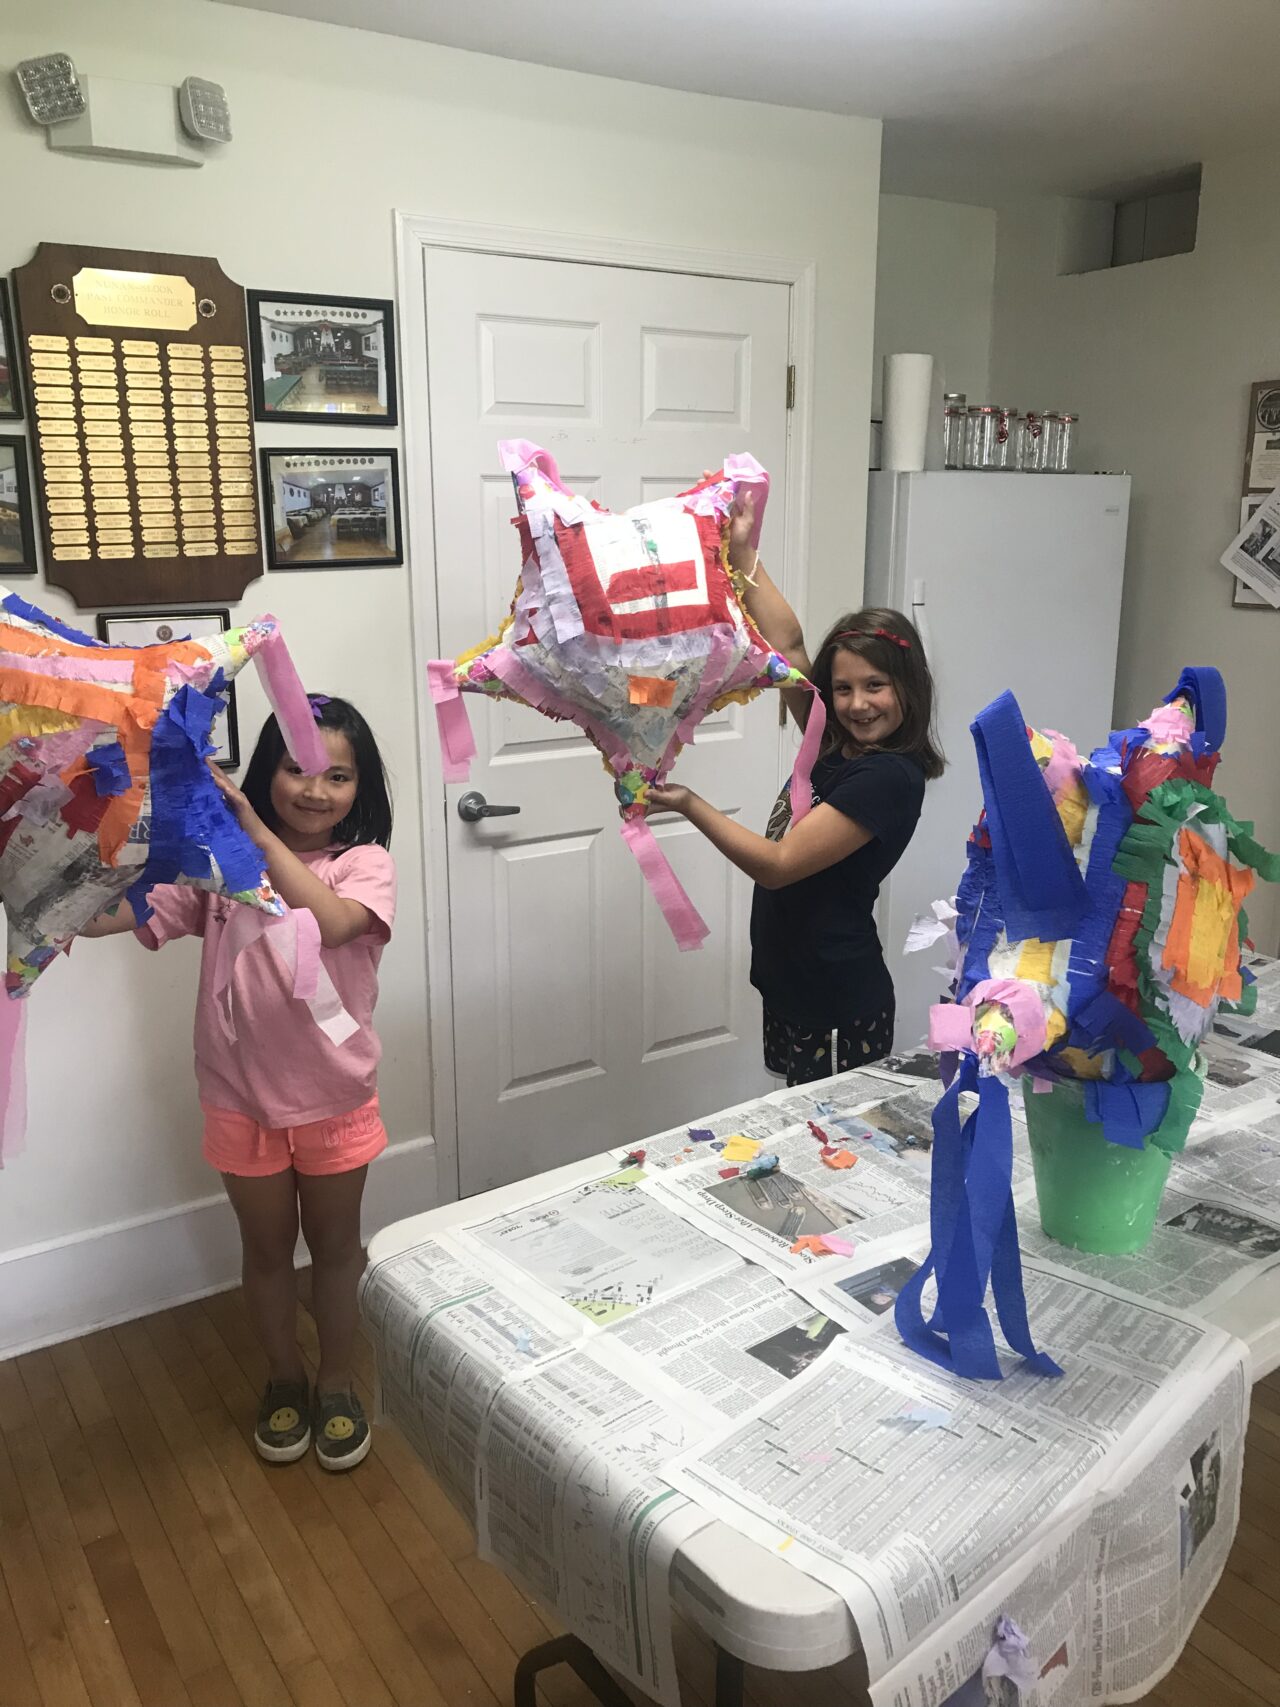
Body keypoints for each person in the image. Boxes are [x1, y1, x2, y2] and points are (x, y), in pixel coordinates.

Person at [84, 696, 395, 1470]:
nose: (315, 789)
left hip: (334, 1102)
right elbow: (109, 916)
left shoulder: (364, 865)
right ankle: (284, 1378)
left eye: (338, 775)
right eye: (295, 768)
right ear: (265, 771)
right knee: (264, 1254)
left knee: (334, 1251)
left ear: (363, 788)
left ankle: (335, 1383)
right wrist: (39, 873)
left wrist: (251, 834)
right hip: (240, 1100)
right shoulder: (215, 868)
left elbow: (328, 922)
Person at [648, 497, 943, 1085]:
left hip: (836, 1001)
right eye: (842, 688)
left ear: (907, 689)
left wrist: (690, 803)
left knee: (829, 1141)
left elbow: (780, 866)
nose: (857, 704)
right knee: (800, 1123)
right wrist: (741, 553)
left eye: (875, 686)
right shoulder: (834, 737)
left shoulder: (889, 777)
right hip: (795, 985)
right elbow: (787, 648)